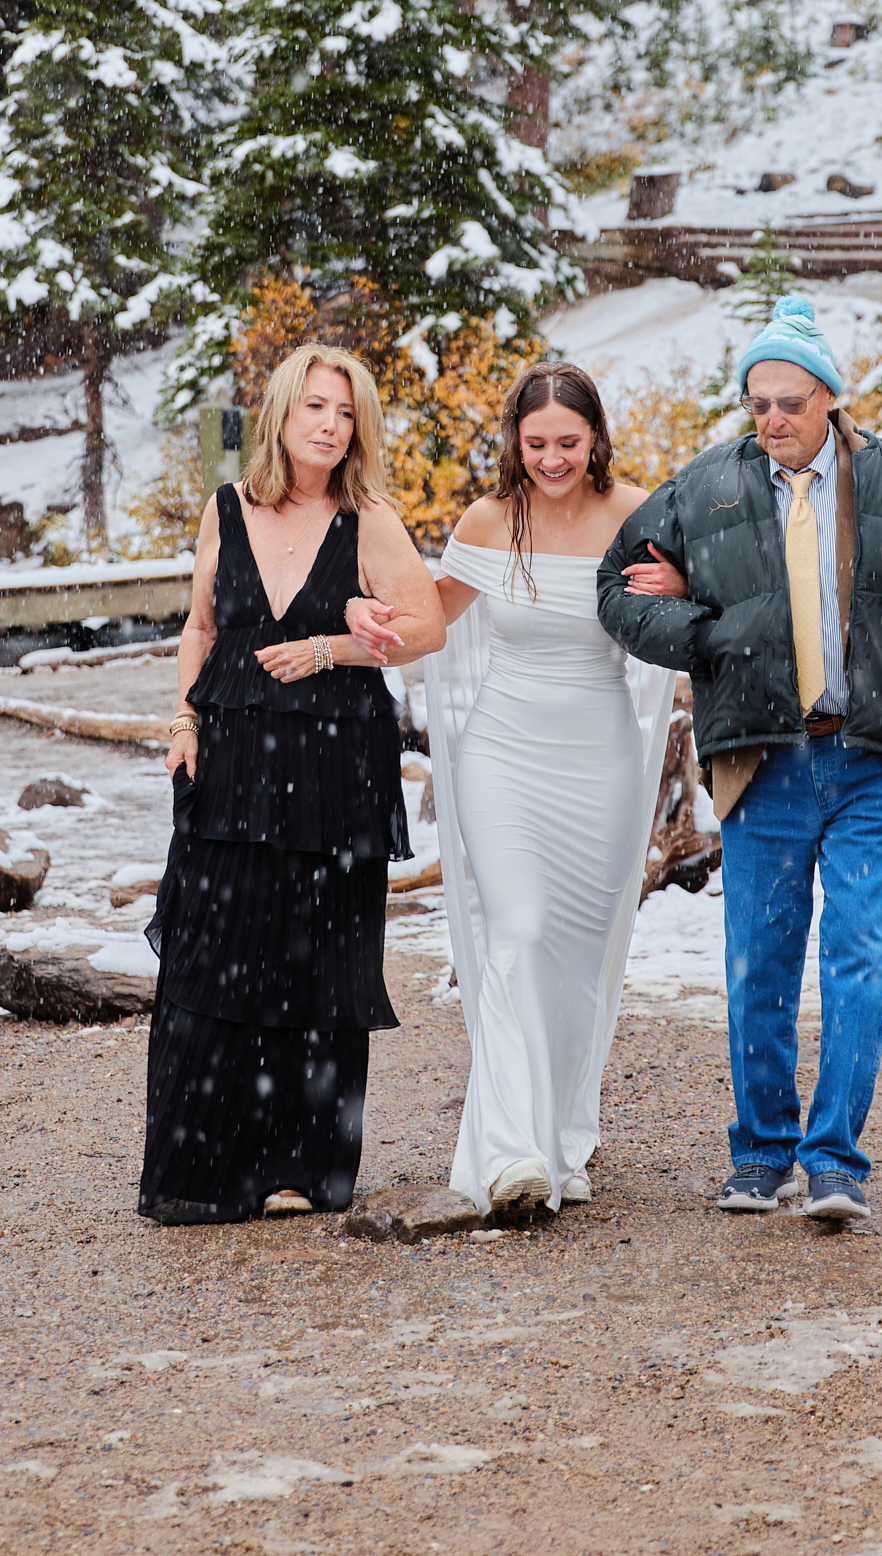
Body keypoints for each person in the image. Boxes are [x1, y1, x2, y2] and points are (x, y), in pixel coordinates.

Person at [596, 293, 882, 1225]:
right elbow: (615, 592)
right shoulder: (704, 489)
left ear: (828, 396)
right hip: (762, 764)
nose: (772, 420)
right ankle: (759, 1156)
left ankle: (834, 1163)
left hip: (874, 764)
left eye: (789, 401)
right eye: (757, 404)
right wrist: (706, 629)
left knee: (858, 958)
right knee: (759, 963)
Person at [139, 343, 444, 1225]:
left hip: (331, 763)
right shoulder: (225, 507)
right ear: (279, 412)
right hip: (228, 754)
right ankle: (198, 1168)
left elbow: (427, 629)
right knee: (212, 949)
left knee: (313, 959)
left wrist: (329, 649)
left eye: (345, 414)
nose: (329, 426)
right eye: (314, 406)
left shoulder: (368, 517)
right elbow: (199, 625)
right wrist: (182, 719)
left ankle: (297, 1170)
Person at [397, 363, 654, 1215]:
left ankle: (562, 1137)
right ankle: (510, 1154)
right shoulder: (487, 519)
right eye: (535, 442)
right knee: (516, 930)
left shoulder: (636, 515)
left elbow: (698, 608)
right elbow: (428, 620)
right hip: (502, 754)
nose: (551, 459)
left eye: (567, 443)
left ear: (595, 438)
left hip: (603, 757)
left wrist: (683, 584)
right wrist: (338, 636)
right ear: (514, 440)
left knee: (578, 958)